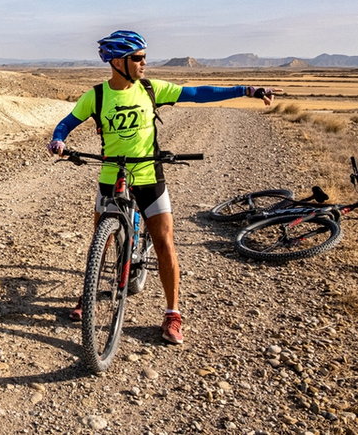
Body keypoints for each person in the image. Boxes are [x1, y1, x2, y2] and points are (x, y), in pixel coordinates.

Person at [47, 30, 281, 344]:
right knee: (99, 244)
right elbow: (66, 123)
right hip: (111, 174)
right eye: (138, 58)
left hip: (148, 175)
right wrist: (59, 140)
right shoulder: (97, 96)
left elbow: (198, 93)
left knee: (164, 241)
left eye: (144, 57)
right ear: (118, 62)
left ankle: (173, 313)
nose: (145, 63)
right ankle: (89, 296)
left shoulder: (151, 89)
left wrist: (248, 90)